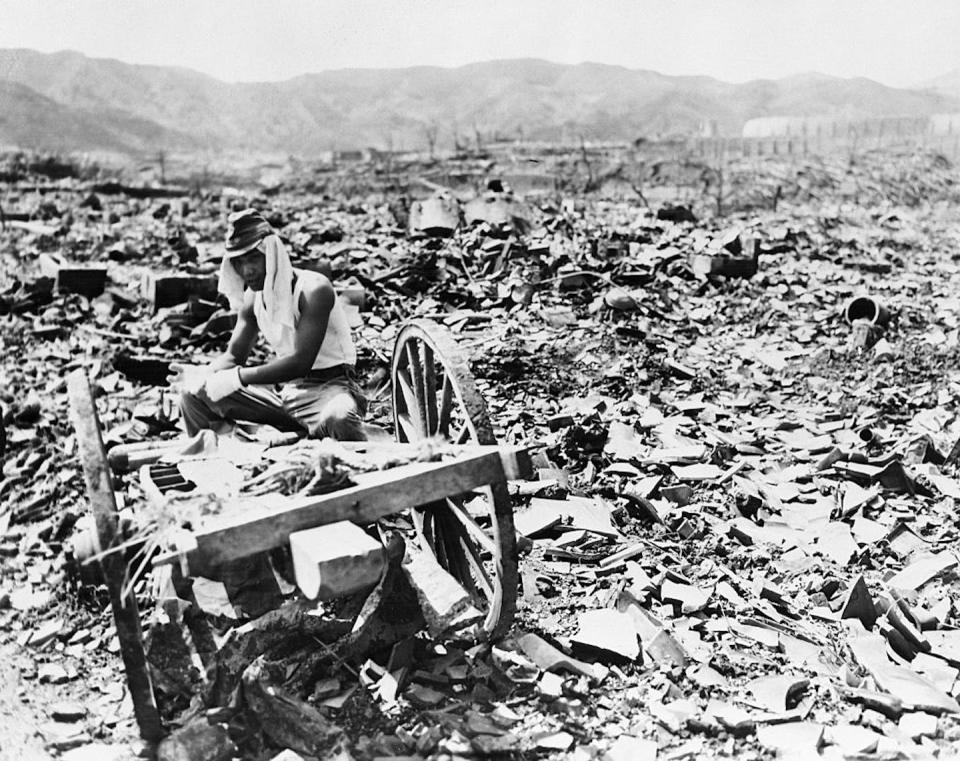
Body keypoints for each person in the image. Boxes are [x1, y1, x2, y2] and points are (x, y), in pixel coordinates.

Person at [168, 208, 367, 441]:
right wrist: (203, 373)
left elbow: (300, 363)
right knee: (192, 396)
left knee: (339, 418)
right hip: (285, 395)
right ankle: (217, 462)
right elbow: (234, 357)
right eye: (239, 262)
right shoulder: (254, 297)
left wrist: (236, 378)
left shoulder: (313, 289)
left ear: (272, 254)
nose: (247, 270)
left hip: (329, 389)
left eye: (253, 258)